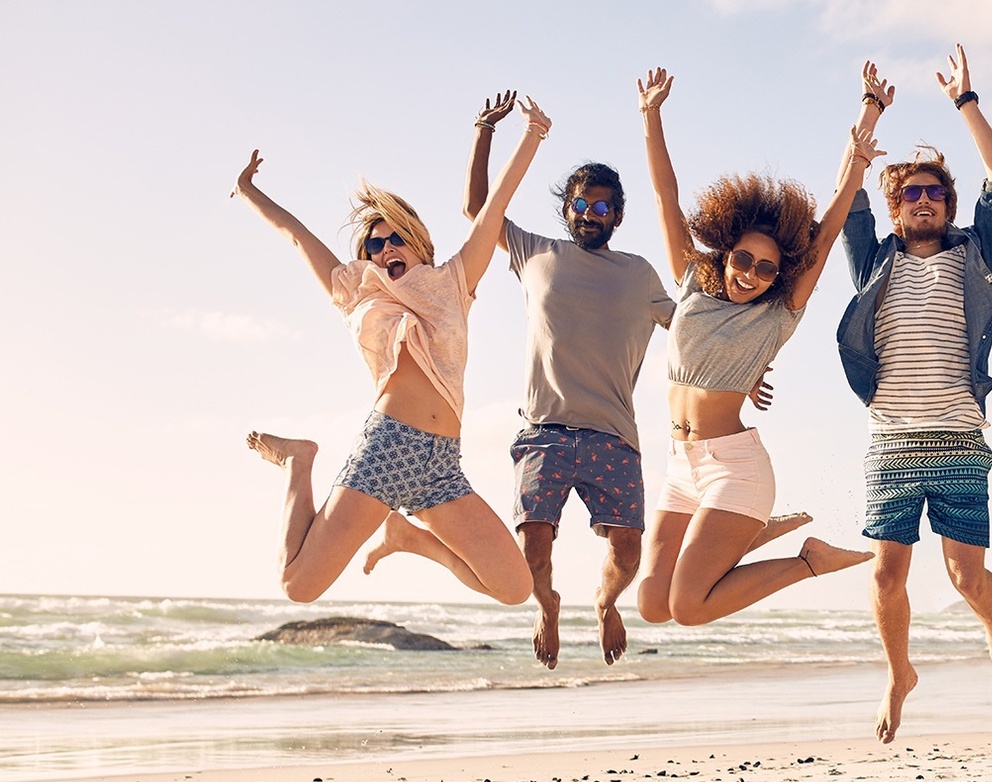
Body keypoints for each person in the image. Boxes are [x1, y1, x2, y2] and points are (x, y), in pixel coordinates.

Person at [461, 92, 798, 668]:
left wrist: (749, 371)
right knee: (532, 545)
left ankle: (605, 603)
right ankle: (547, 605)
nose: (591, 215)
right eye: (581, 205)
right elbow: (477, 210)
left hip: (613, 435)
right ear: (567, 210)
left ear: (618, 215)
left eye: (603, 208)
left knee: (628, 551)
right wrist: (484, 133)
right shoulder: (534, 253)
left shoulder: (640, 275)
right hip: (543, 429)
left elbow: (702, 330)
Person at [232, 99, 553, 605]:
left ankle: (408, 538)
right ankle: (299, 459)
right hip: (387, 450)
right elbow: (297, 237)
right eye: (374, 246)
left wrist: (532, 134)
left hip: (443, 463)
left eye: (395, 238)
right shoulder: (358, 293)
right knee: (298, 586)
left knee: (515, 588)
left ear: (419, 244)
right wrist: (249, 191)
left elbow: (493, 208)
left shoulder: (452, 280)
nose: (385, 250)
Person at [632, 67, 877, 627]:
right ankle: (749, 534)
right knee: (652, 606)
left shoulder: (777, 315)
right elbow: (665, 196)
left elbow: (829, 227)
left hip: (734, 469)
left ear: (779, 275)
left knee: (688, 607)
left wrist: (862, 136)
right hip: (680, 465)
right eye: (743, 259)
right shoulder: (693, 280)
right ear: (724, 251)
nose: (751, 273)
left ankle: (808, 561)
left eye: (767, 268)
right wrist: (651, 115)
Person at [838, 51, 992, 744]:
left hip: (958, 436)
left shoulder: (976, 254)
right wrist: (869, 109)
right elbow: (845, 192)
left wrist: (967, 101)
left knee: (964, 576)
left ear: (947, 205)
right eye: (911, 194)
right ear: (896, 209)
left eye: (934, 193)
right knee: (888, 573)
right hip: (890, 441)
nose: (923, 200)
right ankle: (898, 673)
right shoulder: (873, 260)